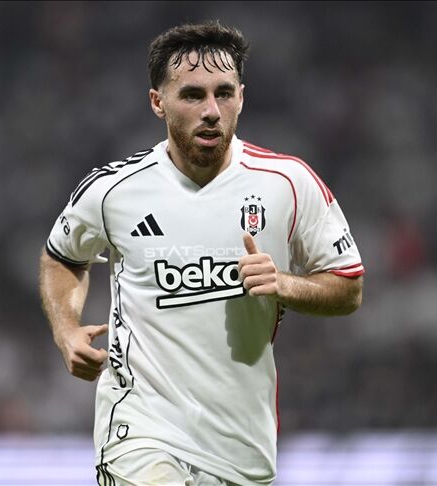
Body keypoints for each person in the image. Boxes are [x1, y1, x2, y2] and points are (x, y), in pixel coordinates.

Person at [39, 20, 364, 485]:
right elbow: (62, 257)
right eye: (193, 95)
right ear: (158, 102)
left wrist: (284, 284)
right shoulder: (113, 190)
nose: (212, 111)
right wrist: (66, 329)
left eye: (223, 93)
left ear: (241, 98)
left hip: (241, 448)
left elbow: (349, 287)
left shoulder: (288, 183)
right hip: (140, 431)